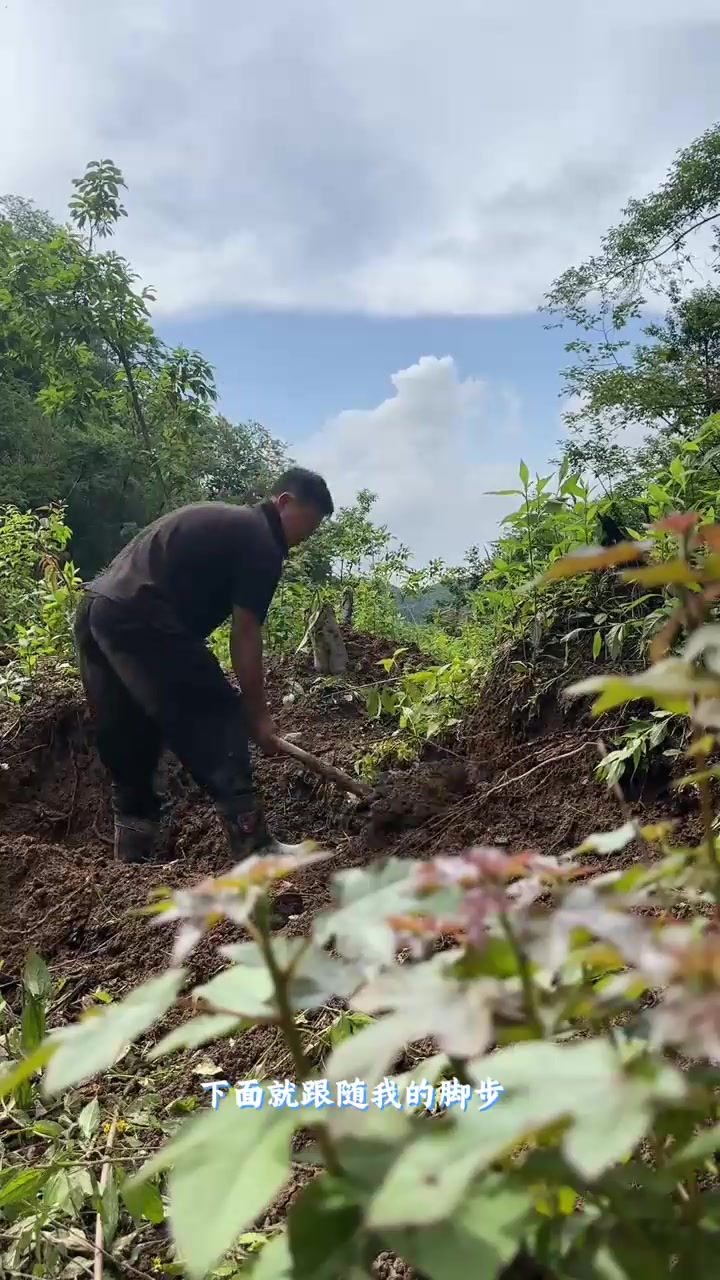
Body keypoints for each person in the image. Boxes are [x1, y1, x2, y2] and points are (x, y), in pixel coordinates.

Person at [73, 468, 334, 865]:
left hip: (97, 612)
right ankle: (254, 845)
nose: (305, 538)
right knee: (215, 714)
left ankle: (132, 852)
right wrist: (257, 715)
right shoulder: (262, 540)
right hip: (140, 614)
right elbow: (245, 634)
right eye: (308, 525)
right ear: (284, 503)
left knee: (128, 730)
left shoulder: (226, 521)